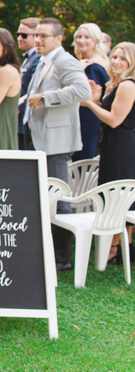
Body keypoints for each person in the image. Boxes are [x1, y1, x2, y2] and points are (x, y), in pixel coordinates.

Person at [22, 17, 90, 270]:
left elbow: (83, 90)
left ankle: (63, 259)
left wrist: (46, 98)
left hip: (57, 142)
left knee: (59, 198)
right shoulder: (43, 61)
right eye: (36, 35)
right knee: (41, 197)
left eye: (43, 36)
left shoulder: (65, 60)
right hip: (38, 136)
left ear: (58, 39)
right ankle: (46, 253)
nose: (37, 40)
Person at [80, 42, 135, 262]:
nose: (116, 61)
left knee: (118, 196)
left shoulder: (128, 85)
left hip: (122, 146)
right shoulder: (119, 84)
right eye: (114, 57)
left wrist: (89, 104)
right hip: (116, 144)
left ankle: (115, 247)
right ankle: (122, 248)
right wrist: (96, 100)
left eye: (123, 58)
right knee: (118, 195)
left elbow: (114, 120)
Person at [71, 22, 110, 160]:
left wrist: (78, 70)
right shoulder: (86, 62)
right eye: (79, 36)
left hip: (88, 120)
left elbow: (86, 96)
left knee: (84, 161)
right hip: (86, 119)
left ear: (96, 40)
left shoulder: (93, 67)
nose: (81, 40)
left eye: (86, 37)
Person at [16, 18, 41, 150]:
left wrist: (18, 109)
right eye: (18, 34)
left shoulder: (37, 59)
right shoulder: (27, 59)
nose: (20, 38)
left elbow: (34, 90)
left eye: (24, 35)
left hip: (26, 121)